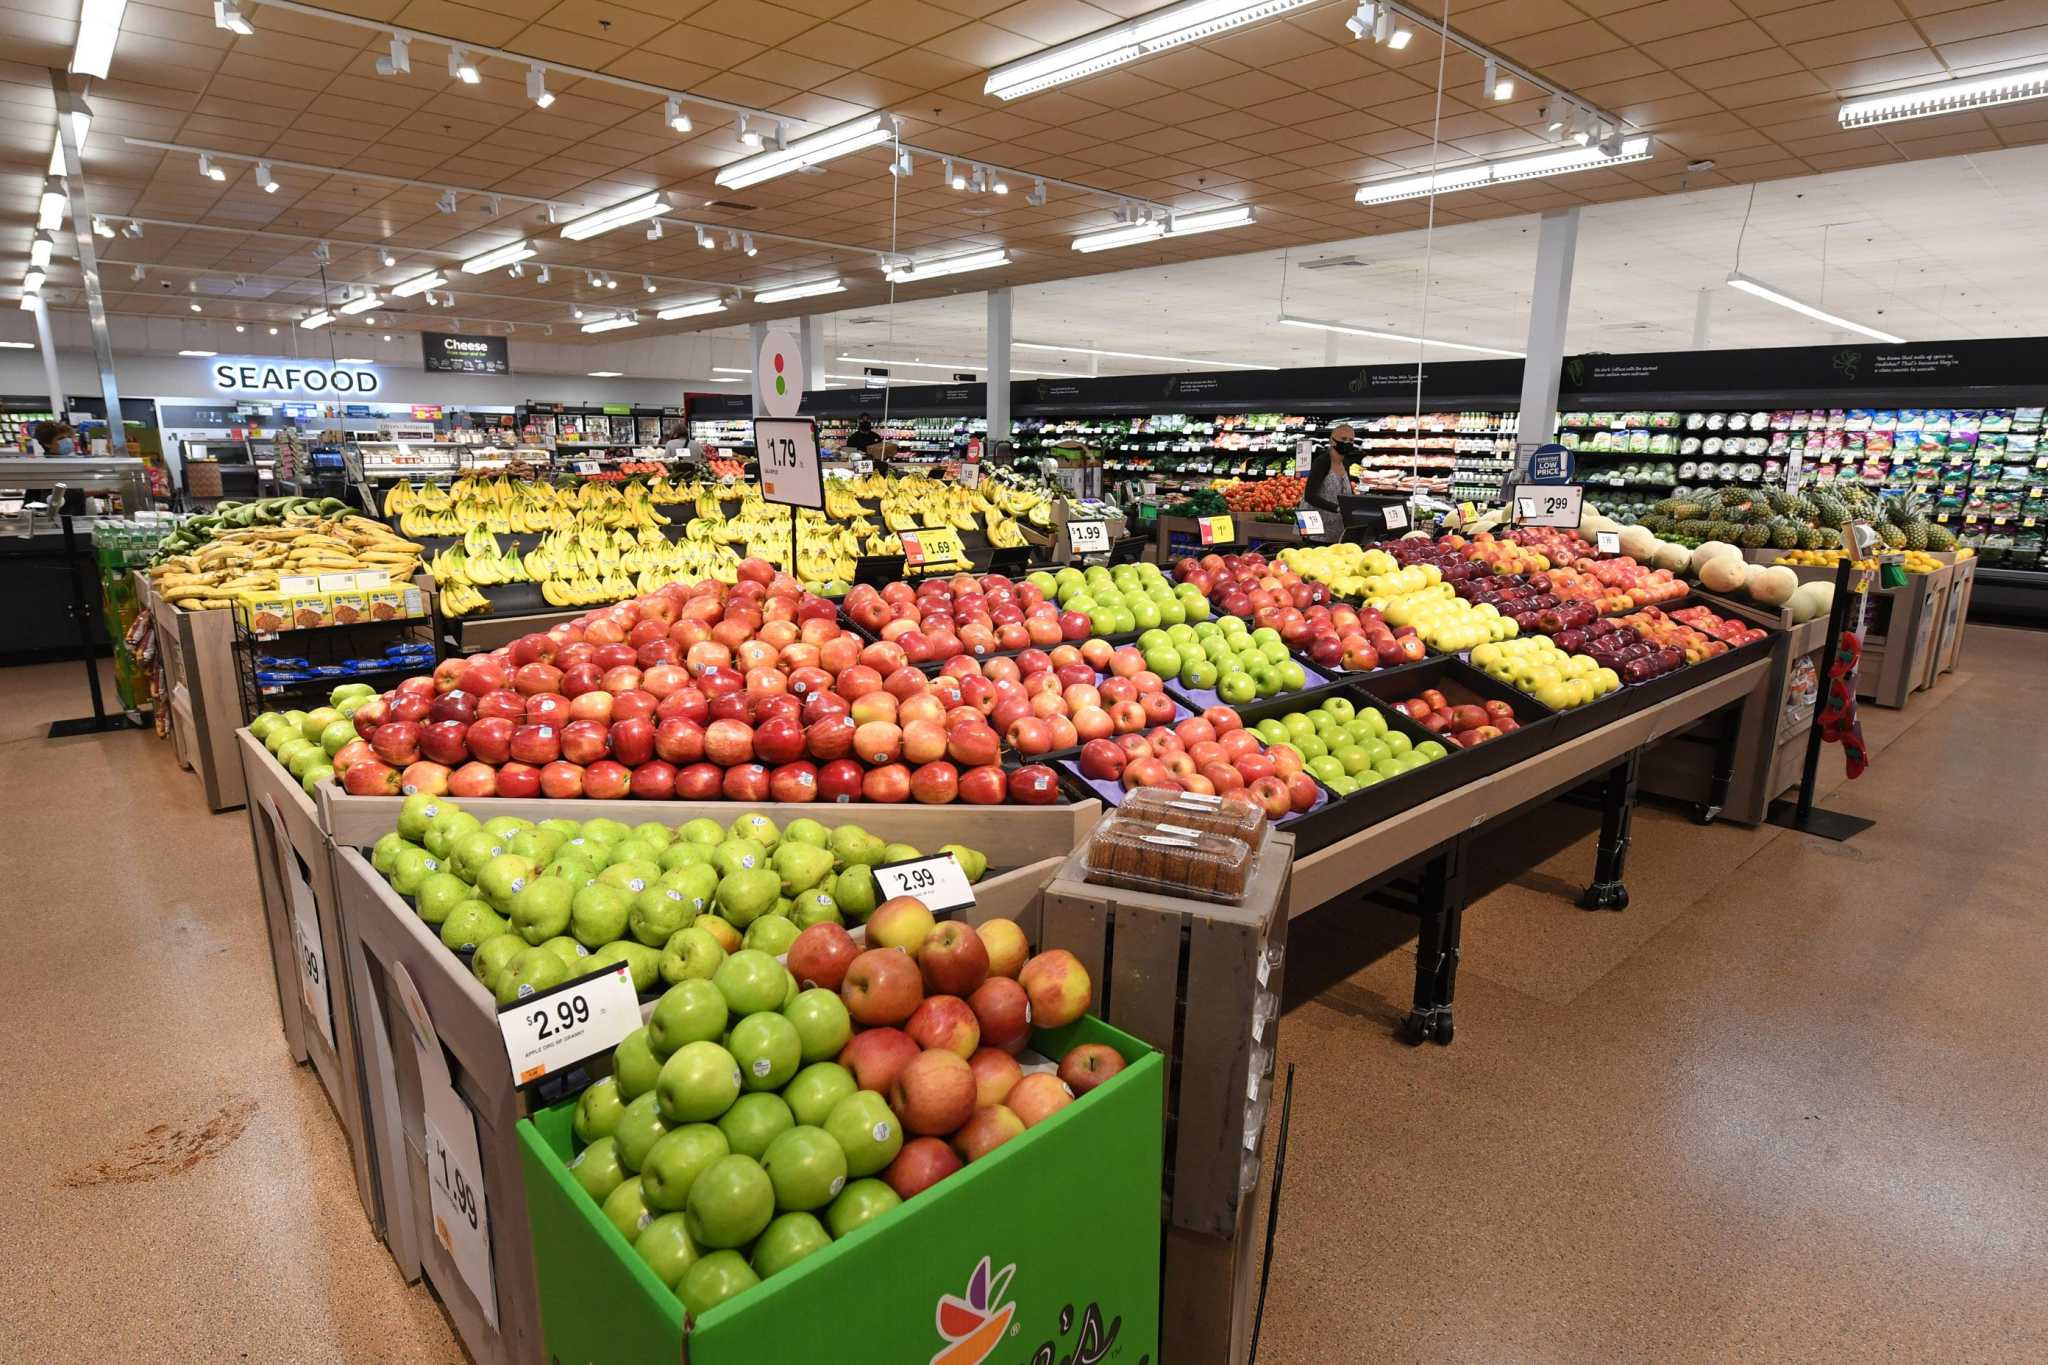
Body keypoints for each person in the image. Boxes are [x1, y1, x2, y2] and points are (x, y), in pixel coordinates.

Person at [1303, 423, 1357, 540]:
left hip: (1336, 527)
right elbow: (1309, 496)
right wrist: (1337, 508)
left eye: (1351, 440)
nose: (1347, 442)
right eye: (1343, 439)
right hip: (1316, 529)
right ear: (1332, 441)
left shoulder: (1345, 463)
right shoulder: (1322, 462)